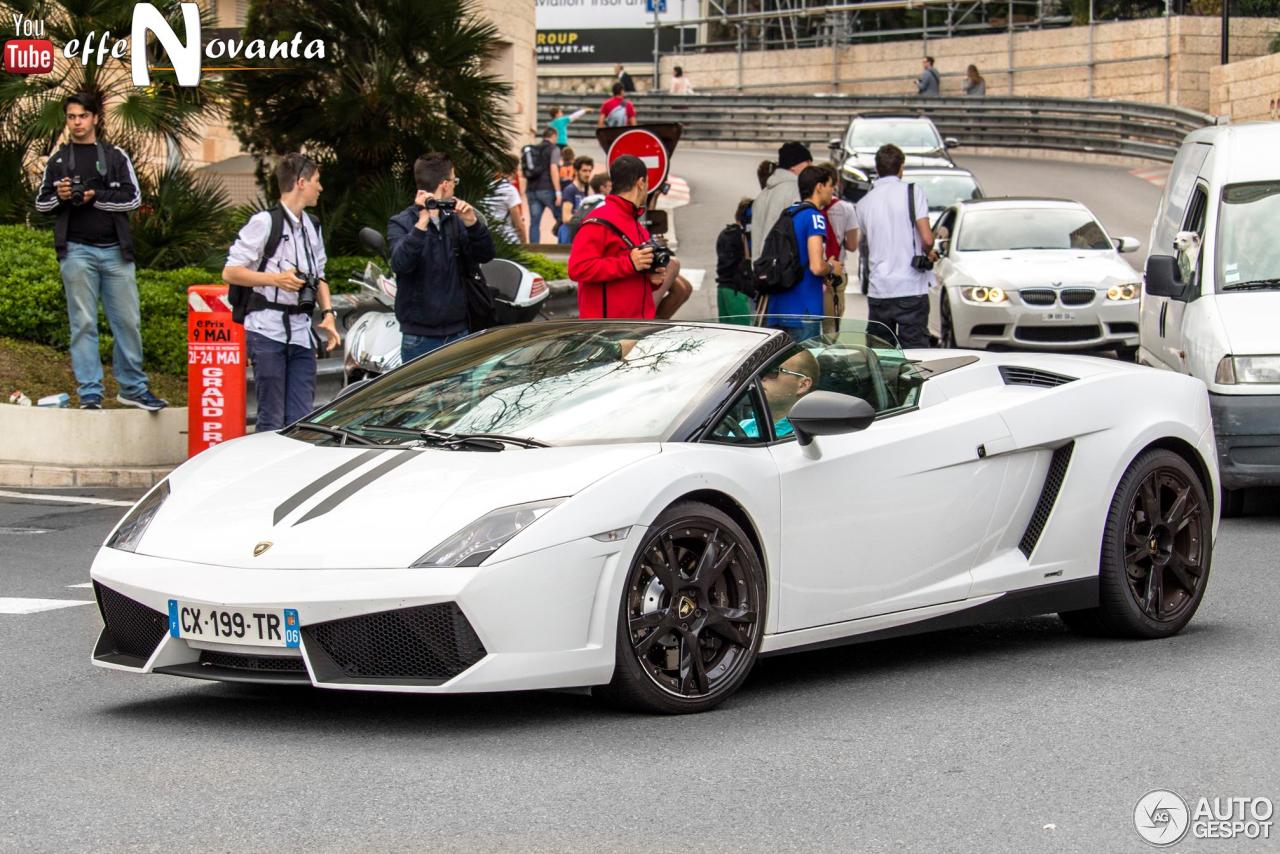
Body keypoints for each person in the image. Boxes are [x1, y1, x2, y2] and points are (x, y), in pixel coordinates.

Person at [33, 92, 166, 411]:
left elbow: (134, 199)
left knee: (128, 321)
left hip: (116, 252)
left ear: (95, 118)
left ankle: (133, 388)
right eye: (71, 117)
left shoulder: (115, 155)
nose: (76, 122)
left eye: (82, 116)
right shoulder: (59, 159)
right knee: (83, 323)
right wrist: (63, 196)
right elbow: (41, 203)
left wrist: (95, 196)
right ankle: (90, 391)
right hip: (76, 251)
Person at [223, 153, 341, 431]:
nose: (320, 188)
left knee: (301, 420)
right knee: (272, 418)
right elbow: (230, 272)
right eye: (316, 181)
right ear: (301, 182)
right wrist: (276, 279)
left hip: (301, 332)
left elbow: (319, 276)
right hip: (266, 330)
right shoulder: (265, 223)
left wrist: (328, 314)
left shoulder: (313, 226)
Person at [387, 152, 496, 360]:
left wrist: (472, 224)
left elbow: (486, 254)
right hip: (419, 337)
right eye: (454, 180)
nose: (455, 185)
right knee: (419, 394)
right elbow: (400, 263)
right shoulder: (402, 222)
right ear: (445, 184)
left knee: (462, 394)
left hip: (459, 332)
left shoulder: (455, 219)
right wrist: (422, 223)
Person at [568, 154, 689, 320]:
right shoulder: (599, 221)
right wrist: (629, 263)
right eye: (646, 183)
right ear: (641, 183)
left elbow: (632, 275)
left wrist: (652, 280)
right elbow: (578, 268)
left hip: (635, 327)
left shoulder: (636, 224)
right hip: (609, 332)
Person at [850, 144, 937, 349]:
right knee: (916, 354)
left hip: (879, 289)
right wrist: (929, 253)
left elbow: (867, 239)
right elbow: (927, 238)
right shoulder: (913, 191)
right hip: (910, 286)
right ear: (901, 168)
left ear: (877, 169)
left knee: (881, 354)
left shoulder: (864, 203)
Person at [763, 165, 841, 342]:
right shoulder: (814, 217)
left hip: (778, 307)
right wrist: (831, 268)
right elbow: (816, 266)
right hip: (804, 309)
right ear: (819, 187)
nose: (832, 191)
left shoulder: (789, 213)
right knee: (805, 367)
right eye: (830, 185)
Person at [751, 141, 812, 263]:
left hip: (762, 269)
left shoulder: (763, 194)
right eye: (808, 163)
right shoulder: (796, 191)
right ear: (794, 165)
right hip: (784, 271)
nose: (811, 167)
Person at [740, 350, 820, 439]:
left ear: (802, 385)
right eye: (760, 370)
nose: (760, 377)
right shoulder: (742, 426)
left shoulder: (811, 436)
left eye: (773, 371)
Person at [816, 162, 858, 327]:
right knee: (831, 327)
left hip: (813, 272)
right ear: (836, 183)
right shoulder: (846, 209)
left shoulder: (809, 208)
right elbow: (853, 245)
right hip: (835, 274)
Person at [715, 198, 755, 324]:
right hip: (738, 292)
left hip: (722, 289)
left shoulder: (725, 233)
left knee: (727, 335)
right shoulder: (743, 236)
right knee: (744, 335)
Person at [524, 127, 562, 243]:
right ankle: (564, 245)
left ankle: (534, 252)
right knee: (561, 218)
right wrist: (558, 192)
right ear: (554, 136)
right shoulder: (553, 149)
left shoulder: (533, 149)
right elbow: (553, 169)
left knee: (534, 223)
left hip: (531, 190)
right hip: (547, 189)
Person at [483, 170, 527, 244]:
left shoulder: (479, 190)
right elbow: (519, 224)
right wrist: (524, 242)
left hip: (486, 240)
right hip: (508, 239)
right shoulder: (509, 190)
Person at [558, 156, 594, 243]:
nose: (588, 174)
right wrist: (585, 221)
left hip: (580, 233)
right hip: (569, 233)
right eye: (584, 171)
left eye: (589, 171)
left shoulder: (587, 191)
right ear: (576, 171)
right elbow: (566, 218)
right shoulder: (570, 190)